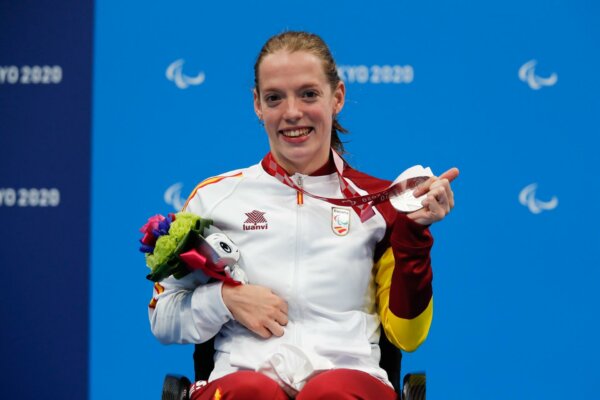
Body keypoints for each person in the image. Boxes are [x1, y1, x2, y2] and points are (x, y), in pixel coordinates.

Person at [149, 31, 458, 400]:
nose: (292, 112)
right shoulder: (213, 198)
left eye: (308, 94)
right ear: (257, 105)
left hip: (351, 381)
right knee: (250, 392)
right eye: (275, 98)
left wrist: (414, 234)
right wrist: (224, 300)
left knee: (332, 393)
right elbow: (162, 318)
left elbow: (408, 335)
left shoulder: (382, 202)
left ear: (337, 97)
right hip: (241, 378)